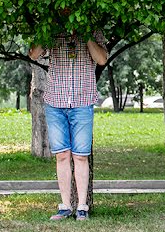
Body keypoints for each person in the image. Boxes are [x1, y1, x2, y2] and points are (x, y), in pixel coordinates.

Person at [29, 30, 108, 221]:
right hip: (55, 102)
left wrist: (86, 34)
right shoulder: (52, 29)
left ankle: (82, 207)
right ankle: (65, 206)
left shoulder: (93, 30)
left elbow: (102, 60)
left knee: (81, 156)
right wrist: (48, 31)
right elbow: (33, 54)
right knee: (62, 155)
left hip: (82, 101)